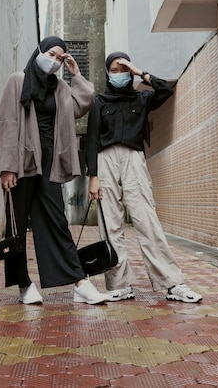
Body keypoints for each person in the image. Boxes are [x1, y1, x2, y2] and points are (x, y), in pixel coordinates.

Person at [0, 36, 108, 305]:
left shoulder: (59, 88)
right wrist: (7, 167)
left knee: (57, 221)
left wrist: (76, 74)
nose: (55, 61)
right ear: (39, 52)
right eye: (52, 54)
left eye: (61, 57)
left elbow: (84, 102)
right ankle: (23, 283)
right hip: (22, 162)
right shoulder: (18, 81)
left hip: (50, 164)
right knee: (17, 224)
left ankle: (80, 282)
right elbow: (7, 123)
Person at [86, 51, 202, 304]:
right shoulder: (99, 101)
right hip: (105, 162)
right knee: (110, 225)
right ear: (107, 74)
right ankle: (119, 285)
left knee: (146, 219)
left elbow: (165, 91)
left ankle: (172, 283)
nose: (118, 74)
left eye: (122, 69)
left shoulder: (142, 97)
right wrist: (92, 176)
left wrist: (139, 72)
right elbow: (91, 140)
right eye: (113, 70)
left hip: (134, 160)